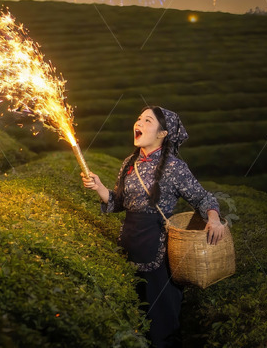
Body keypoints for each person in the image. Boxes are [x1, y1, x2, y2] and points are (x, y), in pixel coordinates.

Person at [81, 106, 225, 348]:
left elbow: (203, 198)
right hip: (128, 246)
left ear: (163, 134)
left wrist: (213, 218)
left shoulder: (174, 167)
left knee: (160, 324)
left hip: (159, 253)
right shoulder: (129, 163)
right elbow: (118, 202)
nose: (139, 123)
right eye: (138, 118)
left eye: (148, 121)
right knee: (131, 319)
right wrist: (99, 188)